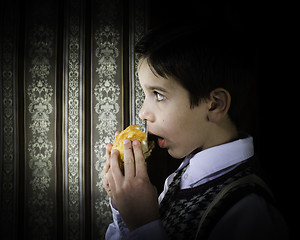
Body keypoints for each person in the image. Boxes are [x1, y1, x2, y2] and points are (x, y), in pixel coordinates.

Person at [102, 23, 289, 239]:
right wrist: (126, 208)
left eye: (159, 95)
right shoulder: (183, 175)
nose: (143, 112)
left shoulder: (251, 211)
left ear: (214, 105)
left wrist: (144, 225)